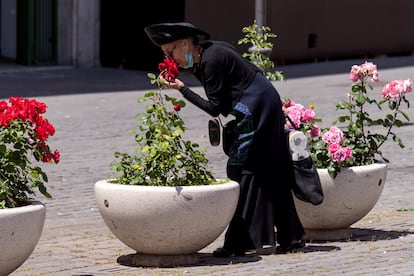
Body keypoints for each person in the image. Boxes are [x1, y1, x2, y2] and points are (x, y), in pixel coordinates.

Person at [145, 22, 305, 257]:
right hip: (262, 104)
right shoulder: (206, 55)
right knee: (269, 169)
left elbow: (215, 108)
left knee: (242, 169)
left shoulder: (211, 61)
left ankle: (239, 243)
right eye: (166, 54)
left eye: (171, 52)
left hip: (257, 109)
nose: (170, 58)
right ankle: (290, 238)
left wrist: (182, 89)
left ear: (187, 44)